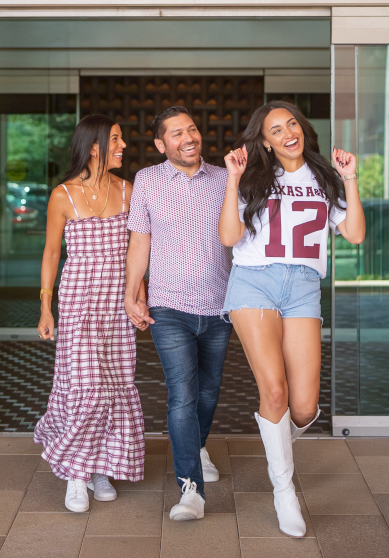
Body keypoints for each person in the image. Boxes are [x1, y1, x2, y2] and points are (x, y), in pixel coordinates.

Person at [219, 101, 365, 538]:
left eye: (292, 124)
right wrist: (231, 180)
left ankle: (275, 441)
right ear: (264, 139)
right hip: (254, 283)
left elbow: (355, 233)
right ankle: (284, 490)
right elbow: (230, 236)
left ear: (302, 129)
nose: (287, 132)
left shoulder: (323, 176)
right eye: (276, 129)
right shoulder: (252, 177)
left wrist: (350, 178)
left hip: (303, 286)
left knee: (303, 407)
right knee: (276, 391)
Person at [124, 105, 232, 521]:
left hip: (220, 306)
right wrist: (132, 293)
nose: (188, 138)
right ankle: (191, 489)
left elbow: (242, 238)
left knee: (208, 391)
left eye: (192, 129)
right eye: (176, 133)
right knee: (182, 395)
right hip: (169, 307)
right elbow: (140, 243)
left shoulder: (225, 179)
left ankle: (198, 445)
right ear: (160, 144)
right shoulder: (147, 181)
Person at [34, 114, 146, 513]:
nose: (123, 146)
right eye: (116, 139)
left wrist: (139, 296)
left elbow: (138, 252)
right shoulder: (62, 195)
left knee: (114, 386)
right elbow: (51, 253)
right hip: (79, 303)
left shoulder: (128, 190)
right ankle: (77, 473)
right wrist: (46, 307)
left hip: (117, 305)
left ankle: (102, 467)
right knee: (87, 388)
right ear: (95, 145)